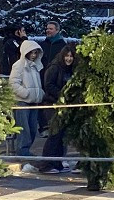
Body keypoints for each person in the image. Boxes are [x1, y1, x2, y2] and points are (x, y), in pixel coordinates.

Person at [38, 45, 77, 173]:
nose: (69, 58)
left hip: (64, 105)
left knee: (62, 135)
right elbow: (48, 85)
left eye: (71, 56)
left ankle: (57, 162)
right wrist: (62, 95)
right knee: (54, 134)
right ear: (62, 56)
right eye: (67, 56)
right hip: (52, 104)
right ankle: (46, 164)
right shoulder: (54, 67)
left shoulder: (70, 70)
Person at [9, 39, 45, 169]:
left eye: (36, 53)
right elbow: (13, 83)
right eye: (32, 52)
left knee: (32, 129)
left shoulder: (36, 66)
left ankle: (27, 150)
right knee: (24, 129)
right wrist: (25, 94)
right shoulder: (18, 65)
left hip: (34, 102)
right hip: (22, 102)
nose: (34, 55)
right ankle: (23, 152)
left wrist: (40, 94)